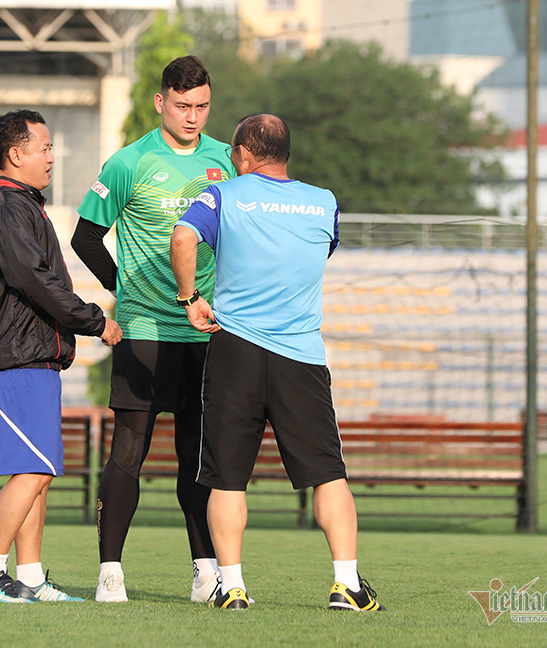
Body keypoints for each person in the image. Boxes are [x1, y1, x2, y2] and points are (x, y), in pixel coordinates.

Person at [170, 114, 385, 612]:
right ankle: (346, 585)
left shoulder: (224, 196)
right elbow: (317, 252)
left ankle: (233, 587)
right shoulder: (324, 202)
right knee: (328, 473)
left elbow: (182, 239)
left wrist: (189, 298)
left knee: (227, 476)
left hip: (234, 350)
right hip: (301, 357)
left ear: (244, 152)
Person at [72, 55, 235, 603]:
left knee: (197, 454)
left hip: (204, 330)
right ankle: (110, 572)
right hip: (144, 329)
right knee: (129, 450)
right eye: (183, 105)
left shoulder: (224, 161)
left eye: (203, 106)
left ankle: (206, 572)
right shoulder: (129, 161)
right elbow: (85, 239)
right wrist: (127, 289)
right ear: (161, 101)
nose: (193, 116)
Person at [0, 109, 122, 604]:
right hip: (15, 356)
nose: (53, 158)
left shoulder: (19, 204)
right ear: (16, 155)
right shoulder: (6, 207)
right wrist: (94, 320)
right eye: (45, 148)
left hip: (33, 354)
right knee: (33, 467)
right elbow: (34, 278)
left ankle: (29, 577)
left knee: (39, 470)